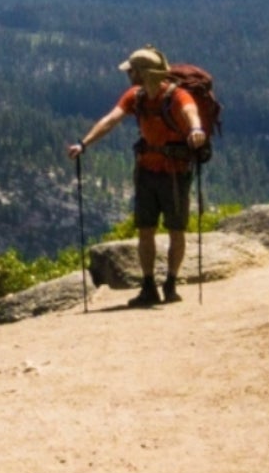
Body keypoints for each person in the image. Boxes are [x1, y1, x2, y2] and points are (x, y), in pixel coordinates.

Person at [68, 47, 207, 307]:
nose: (128, 75)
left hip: (175, 173)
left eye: (131, 71)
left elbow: (191, 113)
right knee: (146, 231)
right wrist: (84, 144)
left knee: (176, 231)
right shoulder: (136, 97)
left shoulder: (178, 97)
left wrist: (197, 129)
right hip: (147, 171)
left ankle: (171, 283)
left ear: (143, 73)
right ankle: (149, 285)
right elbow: (111, 120)